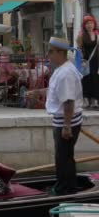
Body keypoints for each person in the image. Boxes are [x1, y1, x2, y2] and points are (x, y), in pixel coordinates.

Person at [45, 36, 84, 195]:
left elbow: (68, 101)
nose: (48, 54)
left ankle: (64, 189)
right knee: (65, 157)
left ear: (60, 53)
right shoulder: (62, 69)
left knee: (63, 158)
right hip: (64, 120)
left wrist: (67, 127)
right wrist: (39, 93)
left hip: (66, 122)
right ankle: (66, 185)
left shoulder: (65, 73)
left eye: (51, 51)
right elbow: (59, 93)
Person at [76, 15, 99, 109]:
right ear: (84, 25)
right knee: (86, 80)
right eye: (87, 23)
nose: (89, 25)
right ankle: (86, 100)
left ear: (94, 24)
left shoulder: (97, 35)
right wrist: (81, 59)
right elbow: (79, 49)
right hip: (85, 61)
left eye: (91, 23)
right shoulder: (81, 35)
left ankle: (95, 100)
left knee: (96, 79)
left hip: (96, 61)